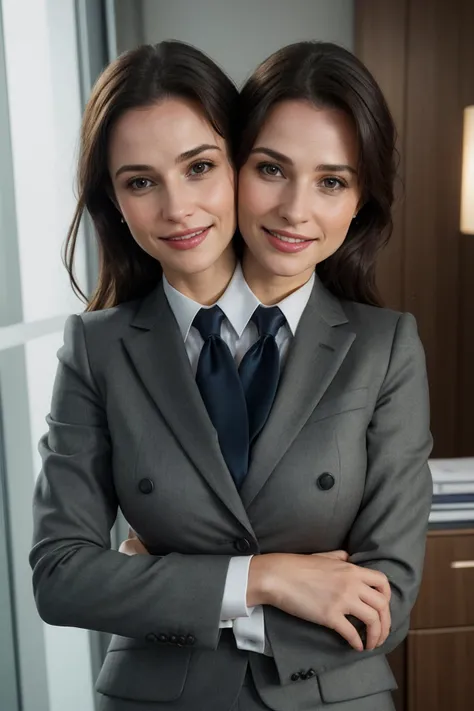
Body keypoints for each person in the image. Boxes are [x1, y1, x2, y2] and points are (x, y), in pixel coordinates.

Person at [29, 40, 431, 711]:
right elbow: (62, 575)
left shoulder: (384, 348)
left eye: (332, 180)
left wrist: (165, 580)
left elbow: (384, 601)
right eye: (273, 169)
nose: (296, 209)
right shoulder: (96, 348)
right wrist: (265, 579)